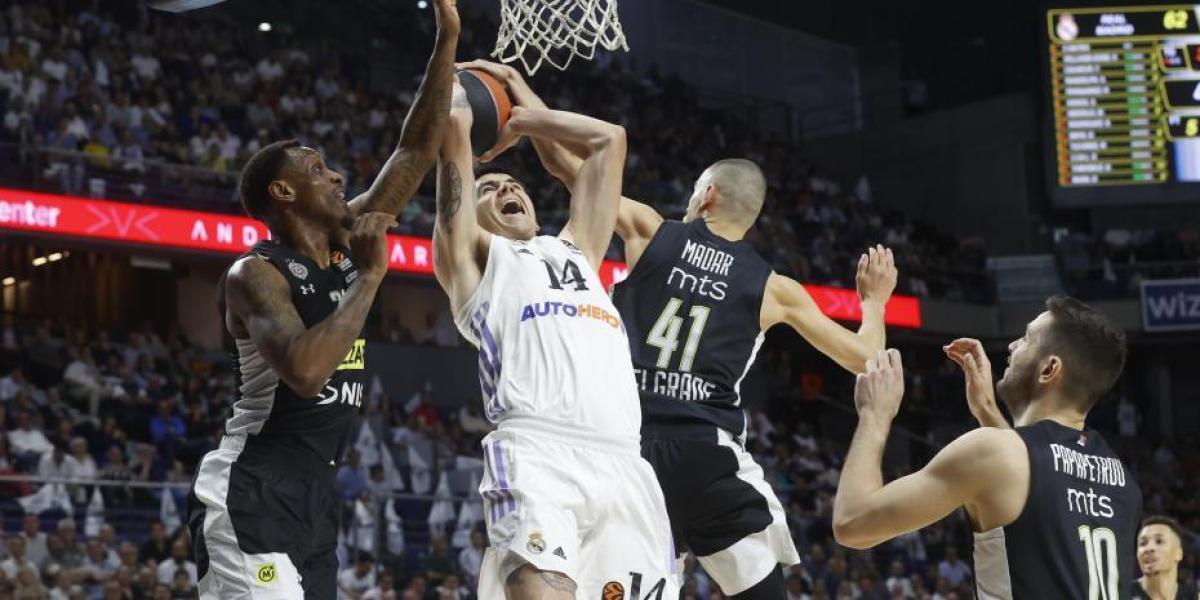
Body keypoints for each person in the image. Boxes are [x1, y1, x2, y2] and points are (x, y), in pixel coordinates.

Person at [458, 59, 897, 598]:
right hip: (703, 455)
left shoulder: (652, 231)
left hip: (628, 450)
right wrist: (873, 302)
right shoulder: (774, 287)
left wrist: (521, 102)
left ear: (706, 196)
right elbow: (865, 359)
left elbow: (570, 168)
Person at [186, 2, 458, 596]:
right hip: (253, 486)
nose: (336, 177)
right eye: (318, 169)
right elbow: (307, 373)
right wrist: (369, 281)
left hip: (315, 494)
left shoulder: (344, 240)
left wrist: (448, 34)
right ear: (282, 192)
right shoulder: (255, 275)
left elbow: (415, 151)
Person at [433, 76, 677, 598]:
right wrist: (456, 76)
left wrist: (519, 108)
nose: (507, 189)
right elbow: (453, 125)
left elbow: (609, 140)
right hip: (536, 453)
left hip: (625, 462)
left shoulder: (579, 252)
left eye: (513, 184)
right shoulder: (474, 264)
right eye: (489, 188)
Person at [833, 296, 1142, 599]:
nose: (1011, 346)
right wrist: (987, 411)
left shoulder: (995, 453)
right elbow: (1036, 494)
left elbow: (852, 523)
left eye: (1026, 339)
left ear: (1049, 370)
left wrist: (875, 414)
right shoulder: (1124, 483)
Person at [1133, 516, 1191, 599]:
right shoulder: (1120, 593)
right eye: (1143, 543)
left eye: (1159, 541)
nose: (1149, 548)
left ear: (1179, 553)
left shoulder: (1194, 596)